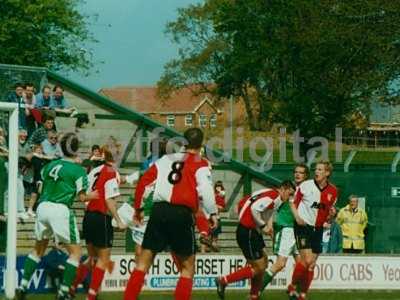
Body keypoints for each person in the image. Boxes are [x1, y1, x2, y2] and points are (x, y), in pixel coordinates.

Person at [124, 128, 218, 300]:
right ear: (201, 144)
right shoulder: (200, 163)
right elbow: (206, 190)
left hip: (159, 212)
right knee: (187, 268)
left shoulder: (165, 159)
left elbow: (144, 182)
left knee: (142, 264)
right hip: (181, 214)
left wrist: (139, 208)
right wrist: (212, 213)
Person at [16, 133, 96, 300]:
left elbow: (40, 186)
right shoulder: (78, 171)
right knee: (76, 253)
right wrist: (96, 195)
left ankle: (22, 286)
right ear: (76, 149)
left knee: (39, 249)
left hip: (43, 206)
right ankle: (63, 292)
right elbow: (82, 198)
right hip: (60, 208)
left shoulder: (50, 165)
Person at [215, 181, 296, 300]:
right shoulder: (273, 197)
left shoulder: (269, 193)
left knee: (263, 262)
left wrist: (267, 229)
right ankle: (224, 281)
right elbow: (254, 208)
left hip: (250, 230)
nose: (290, 198)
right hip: (247, 232)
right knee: (258, 267)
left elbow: (246, 203)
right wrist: (262, 226)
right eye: (290, 194)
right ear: (283, 189)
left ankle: (254, 295)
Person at [71, 148, 125, 300]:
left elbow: (83, 194)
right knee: (103, 259)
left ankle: (72, 286)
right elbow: (109, 200)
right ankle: (91, 295)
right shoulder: (111, 172)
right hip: (102, 218)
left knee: (91, 258)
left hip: (88, 218)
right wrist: (119, 221)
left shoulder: (94, 171)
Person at [288, 160, 337, 300]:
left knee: (311, 264)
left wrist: (331, 216)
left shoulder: (333, 191)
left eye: (320, 169)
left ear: (327, 173)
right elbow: (292, 204)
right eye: (316, 169)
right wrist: (297, 217)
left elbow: (329, 214)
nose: (316, 172)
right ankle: (292, 286)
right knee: (307, 260)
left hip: (318, 229)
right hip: (303, 225)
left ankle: (302, 294)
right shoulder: (306, 185)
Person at [261, 163, 309, 293]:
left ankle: (295, 292)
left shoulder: (307, 190)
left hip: (299, 232)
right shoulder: (287, 189)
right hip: (286, 230)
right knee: (280, 264)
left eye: (301, 172)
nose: (297, 174)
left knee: (302, 264)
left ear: (306, 176)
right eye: (296, 172)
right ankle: (256, 291)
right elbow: (272, 207)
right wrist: (270, 225)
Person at [210, 180, 226, 251]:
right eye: (217, 186)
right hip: (212, 217)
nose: (218, 188)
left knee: (216, 234)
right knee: (211, 233)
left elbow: (222, 206)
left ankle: (214, 245)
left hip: (217, 216)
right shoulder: (213, 194)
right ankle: (211, 245)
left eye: (219, 186)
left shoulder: (221, 195)